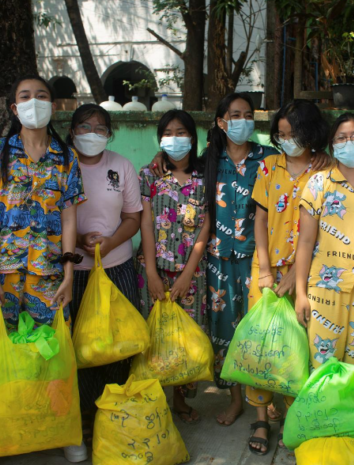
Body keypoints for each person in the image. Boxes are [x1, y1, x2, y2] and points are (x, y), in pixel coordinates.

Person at [0, 75, 86, 465]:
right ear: (13, 107)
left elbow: (70, 219)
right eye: (25, 96)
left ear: (53, 106)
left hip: (49, 275)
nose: (34, 101)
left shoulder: (65, 156)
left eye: (42, 96)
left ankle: (60, 431)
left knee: (51, 352)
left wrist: (69, 273)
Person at [246, 100, 330, 455]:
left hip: (308, 271)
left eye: (293, 134)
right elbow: (261, 220)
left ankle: (295, 415)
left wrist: (297, 273)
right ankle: (262, 418)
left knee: (298, 346)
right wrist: (265, 269)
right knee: (262, 345)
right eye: (280, 134)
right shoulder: (268, 166)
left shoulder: (327, 170)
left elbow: (326, 228)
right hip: (266, 268)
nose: (286, 140)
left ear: (310, 133)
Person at [196, 93, 279, 426]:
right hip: (219, 260)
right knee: (224, 333)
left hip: (259, 259)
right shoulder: (209, 159)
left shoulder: (270, 158)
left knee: (262, 331)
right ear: (221, 122)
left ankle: (267, 397)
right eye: (235, 115)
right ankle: (235, 400)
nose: (242, 120)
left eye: (248, 114)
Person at [66, 104, 142, 450]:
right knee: (80, 346)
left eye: (100, 128)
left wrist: (110, 242)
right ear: (72, 131)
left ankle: (115, 412)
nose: (92, 134)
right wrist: (78, 243)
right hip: (75, 271)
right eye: (85, 126)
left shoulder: (121, 166)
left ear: (109, 134)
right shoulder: (61, 164)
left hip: (117, 267)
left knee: (117, 344)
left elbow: (133, 217)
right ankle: (84, 417)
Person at [136, 109, 210, 425]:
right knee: (154, 338)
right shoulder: (149, 175)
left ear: (193, 138)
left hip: (191, 274)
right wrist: (152, 273)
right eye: (168, 132)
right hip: (154, 270)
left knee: (184, 340)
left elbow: (205, 227)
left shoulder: (206, 176)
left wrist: (188, 273)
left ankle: (179, 399)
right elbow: (146, 224)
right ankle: (155, 401)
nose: (175, 139)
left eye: (182, 132)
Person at [295, 112, 354, 369]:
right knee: (322, 365)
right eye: (341, 138)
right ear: (332, 146)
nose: (349, 143)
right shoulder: (319, 183)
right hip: (324, 290)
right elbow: (305, 242)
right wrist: (301, 294)